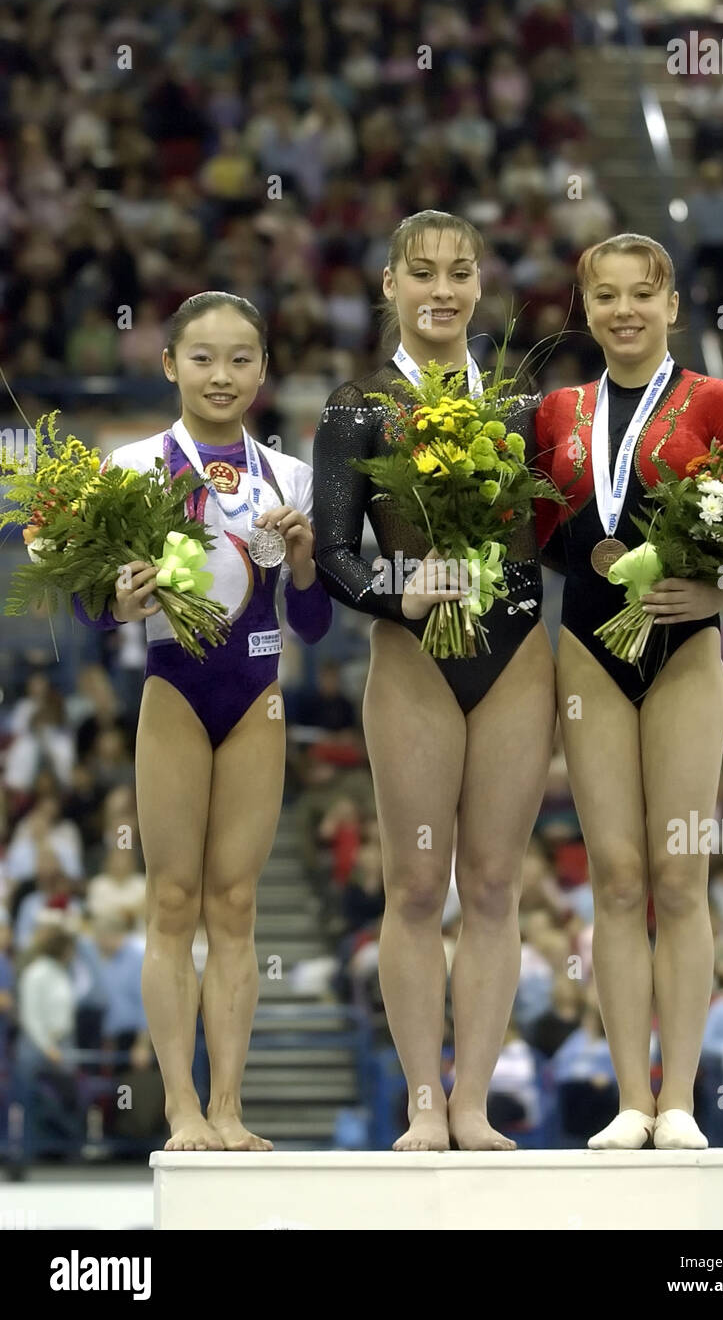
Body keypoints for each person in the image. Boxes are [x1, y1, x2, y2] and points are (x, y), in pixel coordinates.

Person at [313, 211, 556, 1150]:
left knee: (494, 885)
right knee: (416, 888)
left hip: (514, 659)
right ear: (390, 285)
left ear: (480, 286)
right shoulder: (357, 404)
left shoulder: (521, 403)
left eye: (461, 272)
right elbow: (335, 556)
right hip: (412, 662)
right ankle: (422, 1099)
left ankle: (473, 1103)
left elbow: (561, 532)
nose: (443, 289)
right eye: (423, 272)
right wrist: (399, 591)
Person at [74, 291, 332, 1150]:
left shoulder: (291, 478)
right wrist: (115, 600)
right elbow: (90, 612)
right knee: (173, 898)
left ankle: (228, 1106)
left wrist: (302, 564)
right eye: (203, 358)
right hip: (174, 693)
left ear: (263, 369)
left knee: (236, 903)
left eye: (241, 359)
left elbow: (316, 624)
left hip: (256, 697)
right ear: (169, 364)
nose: (222, 375)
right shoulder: (133, 467)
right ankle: (181, 1107)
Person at [536, 232, 723, 1149]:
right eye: (605, 296)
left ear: (672, 305)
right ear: (585, 309)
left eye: (642, 294)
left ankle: (680, 1100)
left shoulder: (716, 400)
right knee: (617, 879)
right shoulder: (557, 410)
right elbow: (540, 538)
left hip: (687, 649)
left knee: (680, 875)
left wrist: (715, 589)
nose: (624, 311)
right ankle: (633, 1097)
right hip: (589, 645)